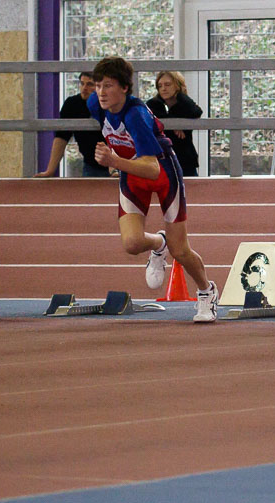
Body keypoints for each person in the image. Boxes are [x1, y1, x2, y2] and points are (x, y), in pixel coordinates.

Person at [88, 57, 219, 323]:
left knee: (180, 250)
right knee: (132, 243)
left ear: (125, 88)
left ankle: (207, 291)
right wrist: (119, 161)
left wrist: (114, 161)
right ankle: (158, 243)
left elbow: (152, 169)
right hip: (131, 172)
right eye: (98, 85)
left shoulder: (135, 115)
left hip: (163, 172)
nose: (101, 92)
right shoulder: (95, 104)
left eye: (108, 86)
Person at [34, 72, 110, 177]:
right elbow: (61, 137)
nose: (84, 88)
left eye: (89, 84)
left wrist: (115, 168)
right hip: (91, 165)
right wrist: (50, 170)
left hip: (115, 163)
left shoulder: (108, 103)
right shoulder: (72, 104)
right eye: (82, 83)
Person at [146, 71, 203, 177]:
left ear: (177, 85)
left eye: (167, 84)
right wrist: (173, 124)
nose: (163, 88)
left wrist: (180, 95)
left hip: (185, 159)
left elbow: (197, 112)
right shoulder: (154, 104)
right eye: (160, 86)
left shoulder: (184, 103)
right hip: (161, 158)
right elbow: (150, 116)